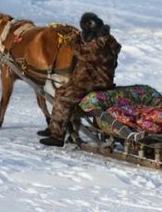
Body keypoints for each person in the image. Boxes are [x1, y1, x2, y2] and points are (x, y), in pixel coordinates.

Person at [39, 12, 121, 147]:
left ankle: (57, 136)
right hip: (97, 80)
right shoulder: (108, 39)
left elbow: (82, 54)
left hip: (92, 82)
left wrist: (73, 39)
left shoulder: (99, 43)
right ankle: (61, 128)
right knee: (61, 91)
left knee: (62, 98)